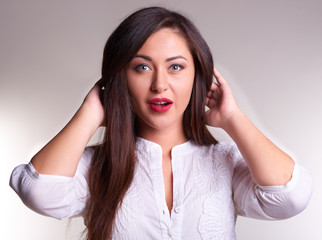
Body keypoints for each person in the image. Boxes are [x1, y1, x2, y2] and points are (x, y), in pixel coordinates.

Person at [10, 6, 312, 240]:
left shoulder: (226, 163)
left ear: (198, 76)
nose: (159, 84)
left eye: (176, 67)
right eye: (141, 67)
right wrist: (91, 112)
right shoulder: (97, 166)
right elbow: (40, 192)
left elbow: (290, 197)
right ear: (121, 78)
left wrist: (233, 118)